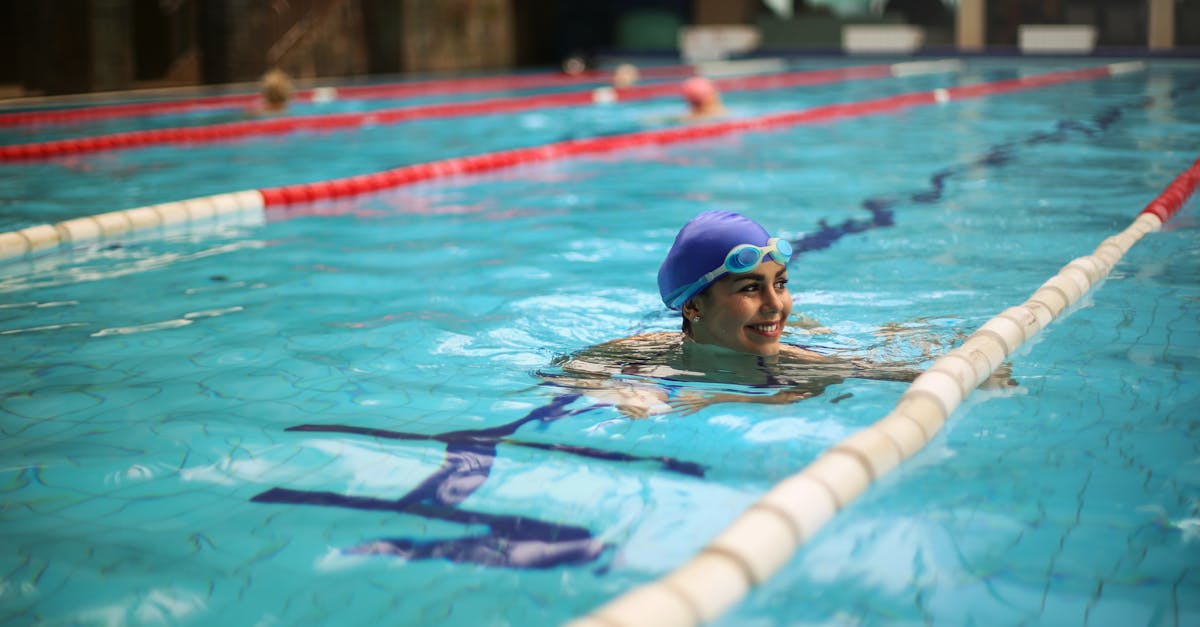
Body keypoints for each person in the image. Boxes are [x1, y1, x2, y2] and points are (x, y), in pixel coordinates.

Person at [544, 210, 1013, 418]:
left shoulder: (792, 361)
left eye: (781, 284)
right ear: (692, 306)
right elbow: (566, 370)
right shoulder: (650, 350)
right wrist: (623, 389)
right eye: (752, 289)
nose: (776, 305)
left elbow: (896, 373)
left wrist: (726, 401)